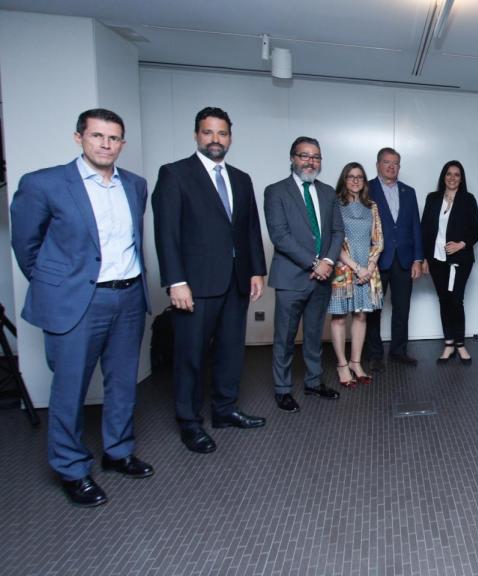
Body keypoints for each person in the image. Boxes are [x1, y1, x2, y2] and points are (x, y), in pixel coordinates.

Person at [11, 108, 153, 507]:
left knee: (123, 382)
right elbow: (27, 248)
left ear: (122, 143)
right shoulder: (44, 184)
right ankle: (71, 468)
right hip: (76, 303)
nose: (106, 145)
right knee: (69, 389)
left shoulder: (136, 186)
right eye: (97, 136)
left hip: (127, 297)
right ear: (79, 138)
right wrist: (58, 288)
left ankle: (118, 451)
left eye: (113, 138)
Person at [153, 107, 267, 454]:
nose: (215, 140)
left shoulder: (242, 178)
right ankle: (189, 423)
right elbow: (166, 233)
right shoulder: (175, 174)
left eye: (222, 134)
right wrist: (175, 281)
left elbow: (249, 230)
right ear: (196, 135)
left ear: (230, 137)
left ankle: (224, 409)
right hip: (195, 284)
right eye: (208, 133)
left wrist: (257, 270)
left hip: (236, 282)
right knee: (190, 355)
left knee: (232, 351)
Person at [264, 137, 345, 413]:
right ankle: (282, 389)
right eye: (305, 156)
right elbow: (280, 236)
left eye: (316, 157)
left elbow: (337, 231)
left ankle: (313, 382)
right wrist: (314, 264)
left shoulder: (328, 192)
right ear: (292, 158)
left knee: (313, 335)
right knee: (285, 337)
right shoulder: (275, 192)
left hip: (322, 278)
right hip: (292, 278)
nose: (311, 162)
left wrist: (328, 261)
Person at [366, 147, 423, 368]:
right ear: (378, 164)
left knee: (402, 308)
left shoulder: (409, 192)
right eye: (387, 162)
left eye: (396, 163)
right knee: (374, 309)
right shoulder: (367, 189)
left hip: (404, 259)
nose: (391, 167)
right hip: (376, 260)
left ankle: (399, 351)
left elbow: (415, 227)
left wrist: (418, 259)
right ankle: (375, 355)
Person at [328, 162, 384, 388]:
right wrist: (355, 267)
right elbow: (333, 240)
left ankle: (355, 362)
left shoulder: (371, 206)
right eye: (350, 177)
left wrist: (369, 267)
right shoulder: (335, 204)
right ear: (344, 179)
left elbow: (379, 239)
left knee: (361, 316)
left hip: (367, 270)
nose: (355, 180)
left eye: (359, 177)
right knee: (340, 317)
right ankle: (341, 365)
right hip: (343, 269)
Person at [421, 160, 478, 365]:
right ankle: (448, 344)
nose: (452, 178)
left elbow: (477, 230)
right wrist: (424, 258)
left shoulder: (468, 199)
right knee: (444, 301)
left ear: (461, 178)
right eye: (449, 174)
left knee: (456, 300)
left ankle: (460, 344)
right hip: (436, 259)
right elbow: (424, 230)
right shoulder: (433, 198)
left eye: (457, 174)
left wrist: (461, 244)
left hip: (460, 261)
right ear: (443, 177)